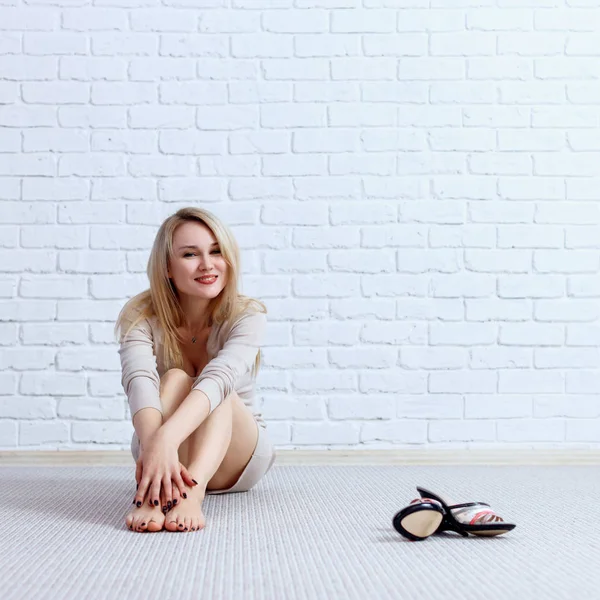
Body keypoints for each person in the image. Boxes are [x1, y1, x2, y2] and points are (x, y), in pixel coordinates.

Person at [114, 207, 276, 533]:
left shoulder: (248, 315)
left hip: (237, 454)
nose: (207, 264)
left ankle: (193, 490)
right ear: (167, 268)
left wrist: (163, 442)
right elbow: (139, 381)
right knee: (175, 378)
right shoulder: (140, 315)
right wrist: (153, 445)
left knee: (216, 388)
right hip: (163, 449)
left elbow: (220, 380)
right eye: (190, 254)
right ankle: (157, 490)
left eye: (217, 251)